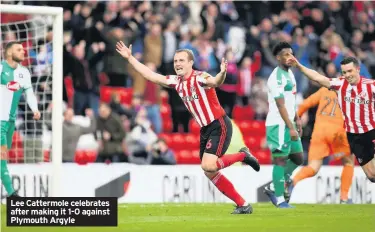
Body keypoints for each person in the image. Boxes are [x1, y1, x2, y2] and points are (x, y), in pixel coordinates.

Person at [116, 41, 260, 214]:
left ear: (191, 63)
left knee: (209, 166)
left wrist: (222, 73)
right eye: (176, 61)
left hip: (218, 124)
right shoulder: (176, 82)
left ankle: (243, 155)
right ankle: (243, 205)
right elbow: (151, 75)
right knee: (210, 172)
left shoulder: (200, 77)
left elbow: (215, 82)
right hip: (205, 129)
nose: (177, 64)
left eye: (181, 60)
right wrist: (130, 58)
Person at [287, 56, 375, 183]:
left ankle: (345, 199)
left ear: (358, 69)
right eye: (344, 72)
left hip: (371, 132)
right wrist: (299, 66)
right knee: (372, 176)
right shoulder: (339, 84)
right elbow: (317, 77)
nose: (347, 75)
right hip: (354, 137)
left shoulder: (371, 86)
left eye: (350, 71)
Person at [293, 87, 354, 203]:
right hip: (338, 131)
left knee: (313, 167)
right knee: (348, 162)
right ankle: (344, 197)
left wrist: (296, 120)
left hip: (319, 132)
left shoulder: (325, 89)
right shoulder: (351, 91)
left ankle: (293, 180)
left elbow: (305, 104)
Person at [263, 42, 304, 208]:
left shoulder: (290, 74)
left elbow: (290, 101)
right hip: (278, 124)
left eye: (291, 54)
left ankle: (274, 185)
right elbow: (280, 105)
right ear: (277, 57)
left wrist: (297, 118)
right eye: (286, 55)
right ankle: (279, 198)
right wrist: (291, 126)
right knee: (280, 159)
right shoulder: (276, 77)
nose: (290, 57)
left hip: (290, 121)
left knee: (298, 158)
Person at [0, 41, 41, 197]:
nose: (23, 51)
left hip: (11, 122)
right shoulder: (1, 68)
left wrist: (35, 109)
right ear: (9, 53)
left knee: (2, 156)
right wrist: (9, 86)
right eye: (19, 49)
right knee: (2, 156)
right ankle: (12, 195)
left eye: (23, 49)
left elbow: (29, 93)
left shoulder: (24, 72)